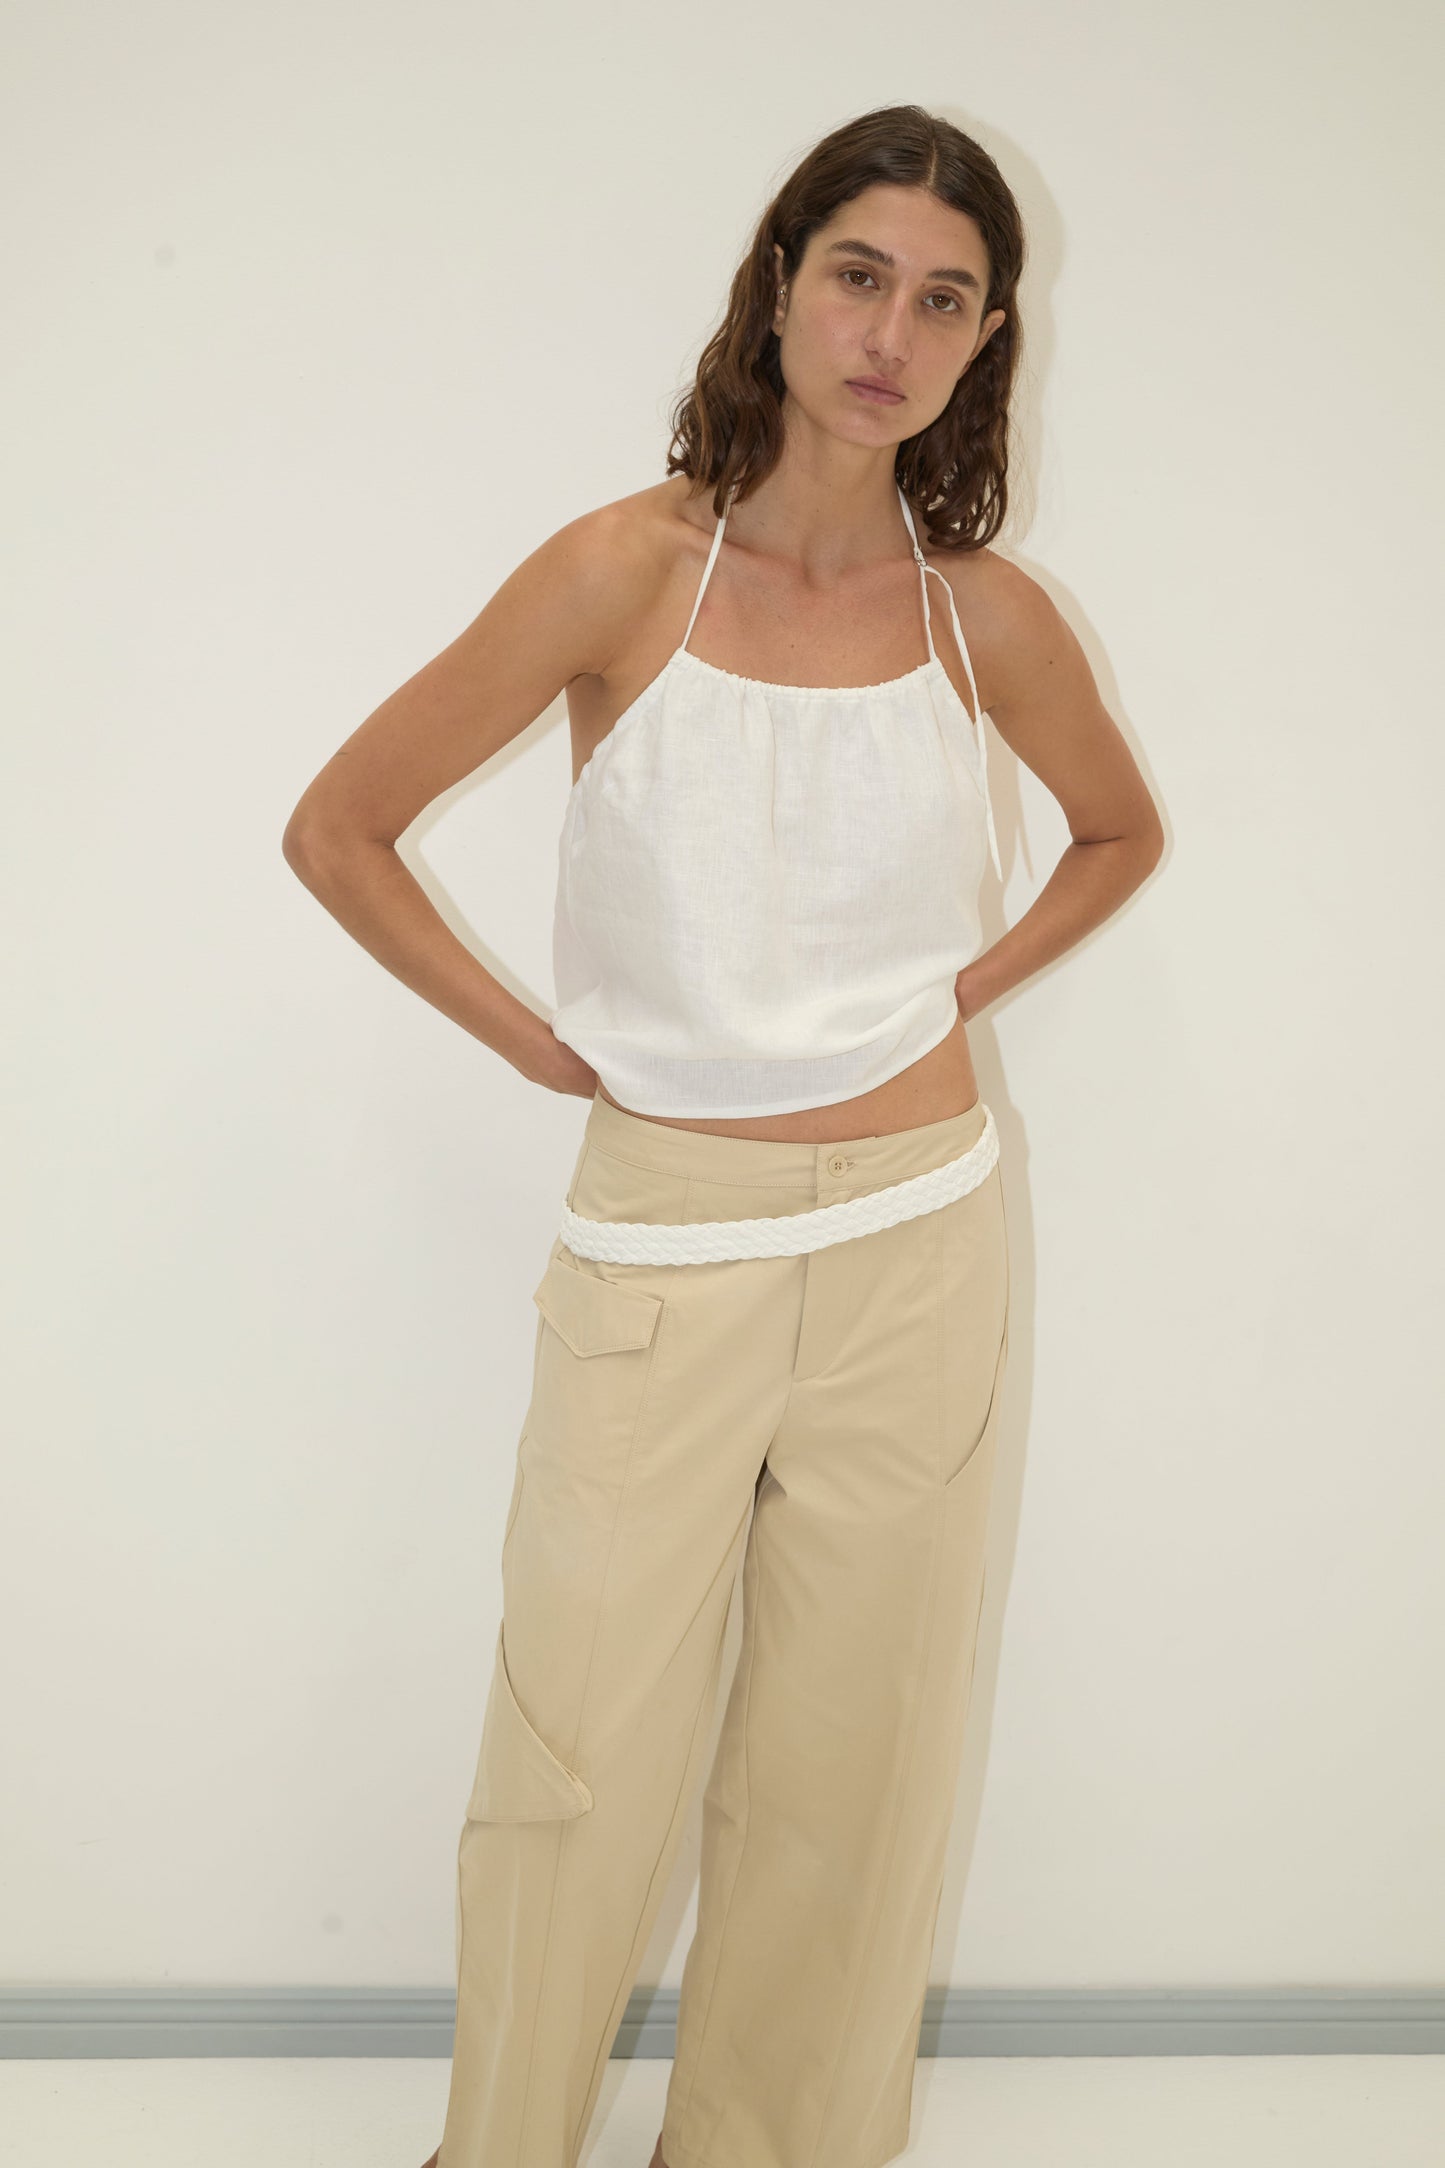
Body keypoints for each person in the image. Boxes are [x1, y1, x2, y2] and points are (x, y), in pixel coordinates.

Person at [283, 101, 1164, 2168]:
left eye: (947, 299)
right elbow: (341, 825)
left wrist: (956, 992)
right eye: (859, 273)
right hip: (661, 1238)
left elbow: (1123, 830)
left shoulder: (987, 620)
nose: (893, 330)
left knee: (853, 1767)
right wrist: (530, 1040)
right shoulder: (625, 569)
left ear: (984, 345)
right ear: (781, 283)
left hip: (920, 1239)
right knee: (579, 1751)